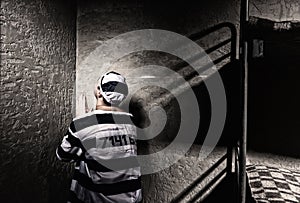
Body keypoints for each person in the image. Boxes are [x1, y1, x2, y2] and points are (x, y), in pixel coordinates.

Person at [56, 71, 142, 203]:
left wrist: (80, 121)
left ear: (99, 91)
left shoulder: (82, 124)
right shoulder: (132, 123)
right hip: (131, 198)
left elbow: (62, 155)